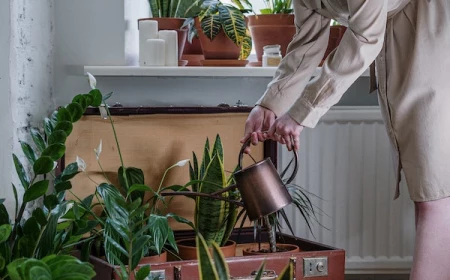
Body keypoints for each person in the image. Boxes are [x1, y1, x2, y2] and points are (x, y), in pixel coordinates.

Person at [241, 0, 450, 279]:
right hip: (393, 31)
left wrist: (303, 111)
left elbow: (365, 35)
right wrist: (269, 105)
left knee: (434, 192)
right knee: (425, 189)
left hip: (431, 24)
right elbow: (307, 42)